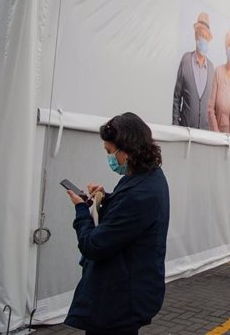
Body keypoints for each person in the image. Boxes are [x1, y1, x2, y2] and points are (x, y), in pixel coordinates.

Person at [64, 113, 170, 335]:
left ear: (126, 151)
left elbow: (93, 245)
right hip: (126, 294)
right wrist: (106, 197)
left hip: (120, 301)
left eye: (109, 152)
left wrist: (81, 209)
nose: (109, 158)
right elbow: (128, 218)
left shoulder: (140, 193)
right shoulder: (148, 177)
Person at [172, 12, 215, 129]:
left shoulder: (211, 68)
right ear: (196, 36)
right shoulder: (186, 60)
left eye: (206, 37)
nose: (204, 40)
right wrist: (176, 126)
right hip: (185, 130)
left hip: (204, 134)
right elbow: (177, 96)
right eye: (202, 35)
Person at [208, 29, 230, 133]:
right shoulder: (218, 72)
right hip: (217, 136)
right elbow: (210, 109)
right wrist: (216, 133)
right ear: (226, 49)